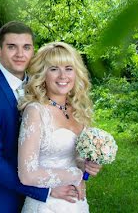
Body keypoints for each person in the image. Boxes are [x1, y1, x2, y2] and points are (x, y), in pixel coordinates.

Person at [0, 22, 83, 213]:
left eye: (26, 47)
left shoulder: (39, 89)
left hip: (35, 202)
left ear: (33, 51)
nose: (20, 54)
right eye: (12, 47)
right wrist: (46, 190)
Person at [17, 41, 100, 213]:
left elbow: (74, 158)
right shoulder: (35, 111)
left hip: (76, 204)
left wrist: (87, 166)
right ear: (43, 75)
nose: (63, 76)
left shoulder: (78, 110)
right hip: (46, 205)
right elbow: (27, 174)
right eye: (54, 69)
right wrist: (76, 177)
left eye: (68, 68)